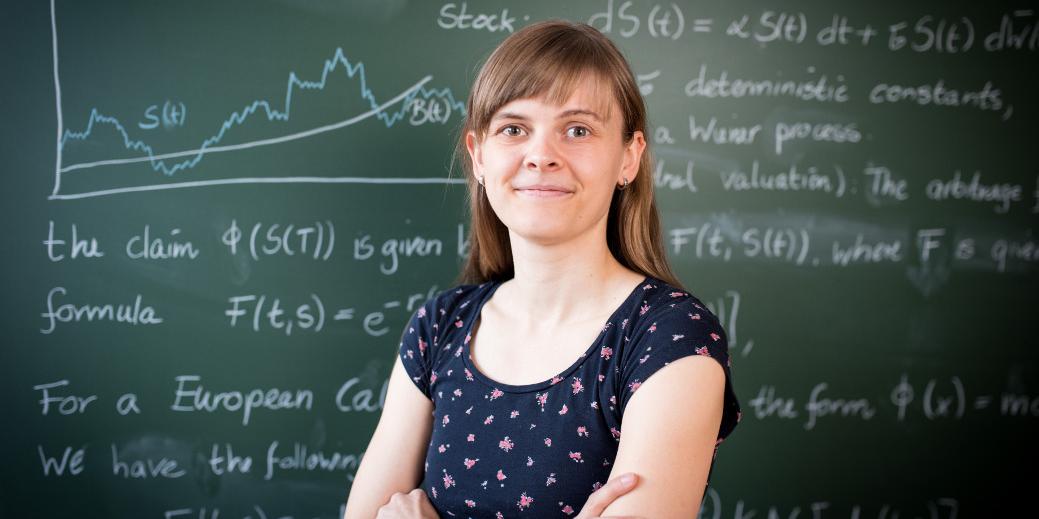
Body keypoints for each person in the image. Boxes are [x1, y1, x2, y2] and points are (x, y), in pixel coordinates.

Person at [343, 19, 741, 519]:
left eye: (578, 130)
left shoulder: (668, 338)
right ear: (479, 157)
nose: (541, 156)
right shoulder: (439, 327)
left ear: (629, 158)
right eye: (514, 129)